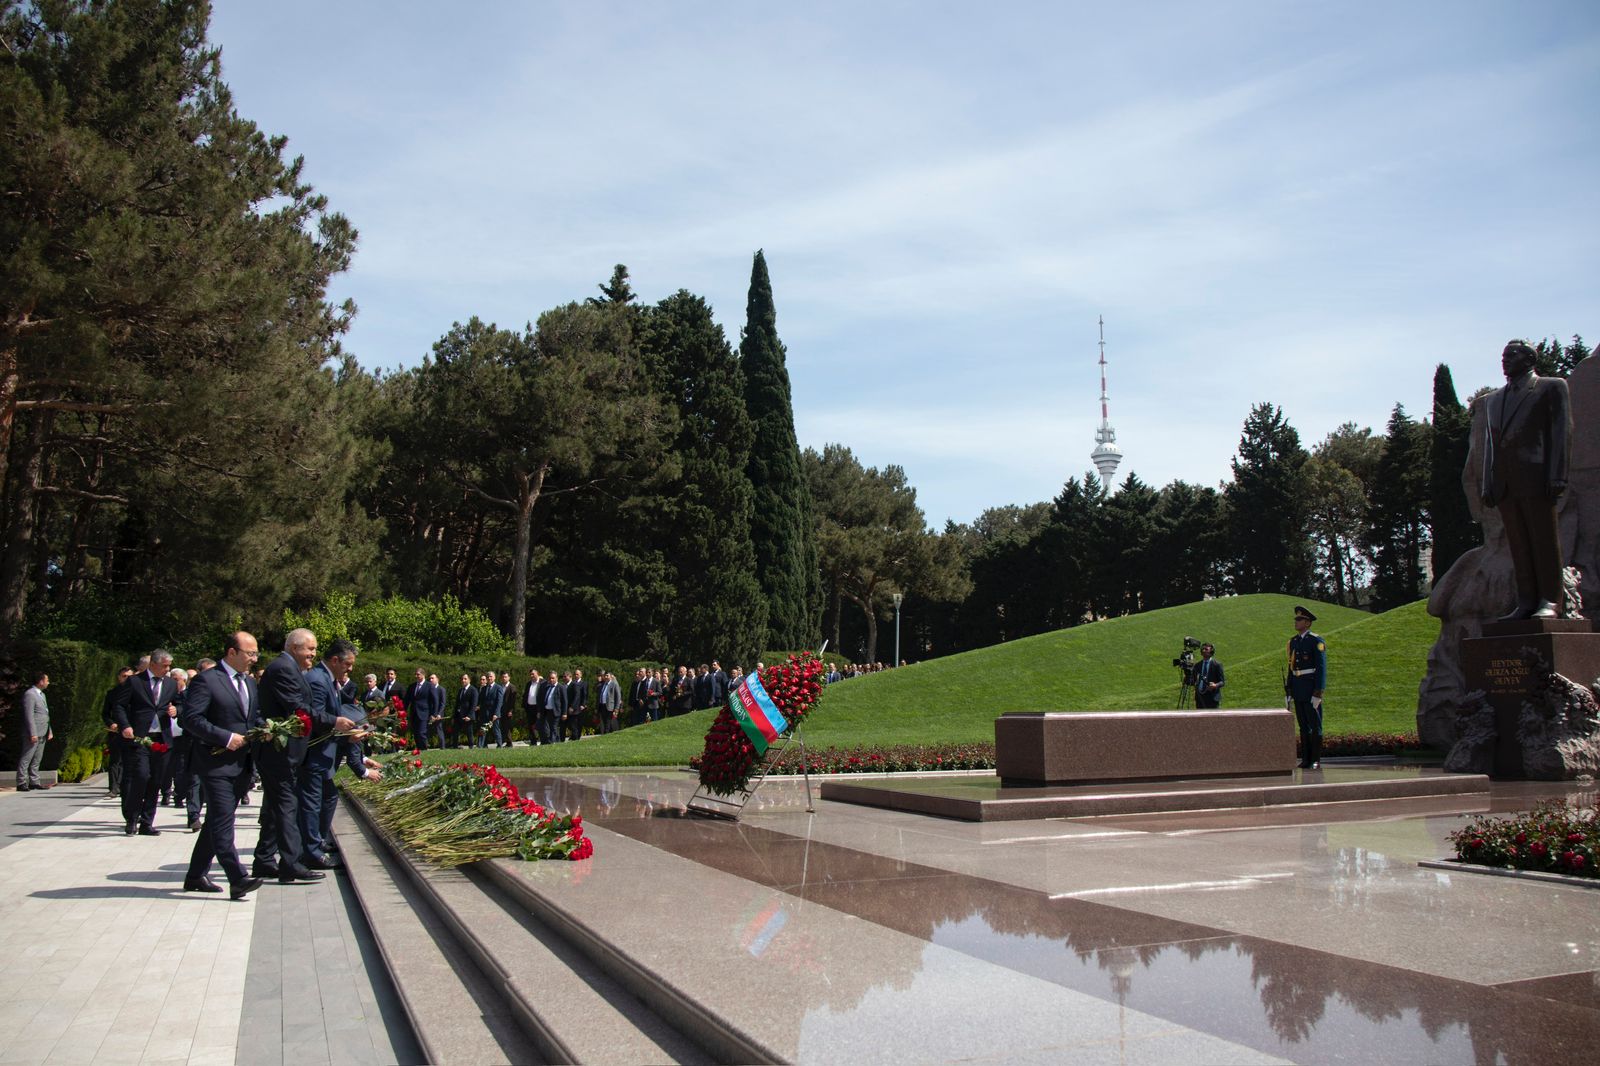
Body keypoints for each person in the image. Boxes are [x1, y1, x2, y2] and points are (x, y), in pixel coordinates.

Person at [1481, 338, 1573, 620]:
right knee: (1519, 545)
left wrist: (1557, 474)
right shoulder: (1495, 400)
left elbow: (1561, 432)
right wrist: (1488, 481)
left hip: (1537, 476)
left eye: (1513, 354)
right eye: (1503, 355)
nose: (1505, 360)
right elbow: (1492, 444)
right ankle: (1526, 600)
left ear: (1530, 359)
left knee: (1543, 540)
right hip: (1506, 483)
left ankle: (1551, 600)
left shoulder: (1551, 387)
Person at [254, 628, 353, 884]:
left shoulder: (292, 669)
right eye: (309, 649)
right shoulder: (285, 669)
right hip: (280, 753)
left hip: (285, 752)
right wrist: (334, 721)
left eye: (315, 649)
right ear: (294, 647)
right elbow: (299, 709)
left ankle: (264, 860)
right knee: (287, 807)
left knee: (278, 808)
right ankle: (291, 864)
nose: (313, 653)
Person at [180, 631, 265, 900]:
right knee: (223, 821)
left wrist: (267, 729)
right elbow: (190, 719)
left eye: (255, 654)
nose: (254, 658)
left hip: (241, 765)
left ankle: (195, 875)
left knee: (216, 821)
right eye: (249, 653)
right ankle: (237, 877)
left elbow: (253, 717)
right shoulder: (208, 680)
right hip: (214, 764)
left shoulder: (250, 683)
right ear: (231, 653)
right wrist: (225, 737)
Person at [297, 638, 358, 870]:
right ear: (335, 660)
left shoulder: (327, 678)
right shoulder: (319, 680)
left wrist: (348, 733)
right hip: (315, 752)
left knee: (327, 796)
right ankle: (311, 851)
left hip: (324, 752)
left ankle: (317, 841)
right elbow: (313, 716)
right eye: (347, 664)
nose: (350, 669)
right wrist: (337, 723)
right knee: (312, 802)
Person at [112, 649, 180, 836]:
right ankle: (132, 818)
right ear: (153, 665)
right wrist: (125, 725)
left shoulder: (170, 684)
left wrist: (176, 710)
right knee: (141, 777)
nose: (168, 669)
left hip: (161, 739)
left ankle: (147, 822)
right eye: (165, 666)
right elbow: (118, 706)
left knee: (155, 781)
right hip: (140, 738)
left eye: (169, 666)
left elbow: (180, 703)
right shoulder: (135, 682)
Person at [1285, 606, 1327, 770]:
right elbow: (1291, 665)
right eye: (1296, 619)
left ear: (1308, 623)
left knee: (1315, 725)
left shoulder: (1316, 641)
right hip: (1298, 687)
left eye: (1300, 620)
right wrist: (1289, 689)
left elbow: (1321, 667)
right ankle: (1306, 758)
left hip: (1311, 687)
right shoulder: (1294, 642)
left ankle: (1315, 759)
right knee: (1303, 725)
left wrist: (1319, 690)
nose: (1296, 622)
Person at [15, 672, 52, 791]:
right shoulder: (30, 694)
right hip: (33, 733)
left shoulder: (42, 695)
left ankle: (34, 781)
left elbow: (45, 714)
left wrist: (49, 730)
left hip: (43, 731)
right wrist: (33, 733)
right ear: (40, 681)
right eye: (47, 680)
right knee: (27, 757)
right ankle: (21, 782)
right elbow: (29, 715)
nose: (48, 682)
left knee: (37, 758)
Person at [100, 667, 133, 797]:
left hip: (131, 730)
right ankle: (114, 787)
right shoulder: (112, 693)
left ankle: (125, 786)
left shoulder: (136, 692)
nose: (127, 678)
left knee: (129, 760)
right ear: (119, 677)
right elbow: (105, 713)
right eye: (124, 676)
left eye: (129, 676)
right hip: (116, 731)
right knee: (115, 760)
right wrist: (111, 723)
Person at [1194, 644, 1225, 709]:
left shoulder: (1217, 665)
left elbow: (1222, 682)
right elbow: (1193, 680)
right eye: (1203, 649)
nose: (1203, 650)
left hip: (1212, 697)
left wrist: (1215, 685)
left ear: (1211, 652)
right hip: (1200, 697)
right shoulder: (1197, 665)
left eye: (1206, 649)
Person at [452, 673, 478, 748]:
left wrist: (469, 716)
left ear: (469, 680)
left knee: (469, 732)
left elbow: (474, 704)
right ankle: (454, 747)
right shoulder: (460, 690)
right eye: (462, 679)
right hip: (459, 715)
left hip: (468, 716)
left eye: (465, 679)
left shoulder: (473, 690)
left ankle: (471, 747)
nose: (463, 680)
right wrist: (455, 715)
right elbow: (458, 703)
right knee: (455, 731)